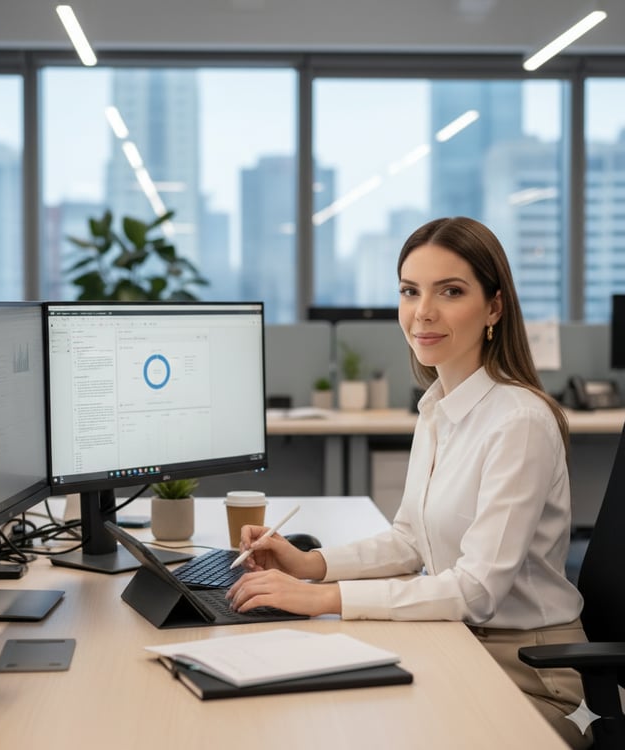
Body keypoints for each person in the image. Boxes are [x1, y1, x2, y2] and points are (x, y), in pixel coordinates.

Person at [227, 216, 591, 749]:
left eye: (450, 291)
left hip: (532, 675)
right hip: (460, 644)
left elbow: (476, 591)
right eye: (409, 291)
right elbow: (409, 540)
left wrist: (323, 599)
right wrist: (311, 565)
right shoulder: (438, 408)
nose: (423, 312)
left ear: (494, 307)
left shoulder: (519, 422)